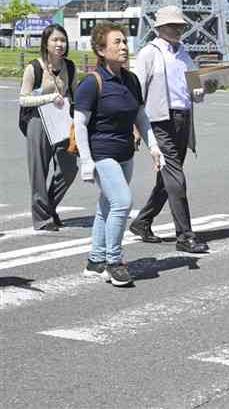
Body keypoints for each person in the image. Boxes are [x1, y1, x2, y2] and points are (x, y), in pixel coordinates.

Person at [73, 23, 164, 286]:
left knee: (107, 206)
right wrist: (87, 162)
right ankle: (114, 262)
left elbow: (141, 117)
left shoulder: (131, 80)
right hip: (101, 154)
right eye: (117, 43)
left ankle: (95, 260)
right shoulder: (92, 83)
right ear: (101, 50)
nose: (124, 47)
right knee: (122, 203)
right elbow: (79, 124)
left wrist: (154, 146)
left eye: (125, 41)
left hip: (125, 152)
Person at [129, 5, 210, 253]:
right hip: (158, 121)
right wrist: (135, 126)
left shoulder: (184, 53)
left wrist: (204, 89)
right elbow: (136, 90)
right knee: (175, 176)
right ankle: (185, 235)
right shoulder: (148, 54)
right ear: (160, 27)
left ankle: (142, 222)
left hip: (183, 118)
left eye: (180, 26)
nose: (178, 30)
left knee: (167, 178)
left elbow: (195, 91)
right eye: (173, 25)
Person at [18, 23, 78, 231]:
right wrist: (48, 98)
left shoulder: (69, 67)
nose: (60, 44)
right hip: (38, 121)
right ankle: (42, 219)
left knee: (69, 168)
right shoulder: (34, 67)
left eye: (63, 40)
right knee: (38, 171)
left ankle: (49, 207)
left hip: (63, 122)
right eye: (55, 40)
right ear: (46, 42)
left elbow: (73, 94)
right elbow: (23, 99)